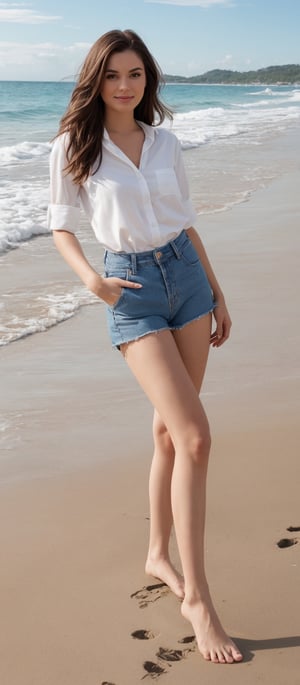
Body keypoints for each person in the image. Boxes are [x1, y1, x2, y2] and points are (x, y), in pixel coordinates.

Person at [48, 29, 243, 665]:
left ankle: (158, 553)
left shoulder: (163, 141)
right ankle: (200, 600)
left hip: (185, 279)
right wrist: (93, 283)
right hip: (129, 289)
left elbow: (185, 219)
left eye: (135, 74)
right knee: (194, 437)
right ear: (95, 80)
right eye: (113, 76)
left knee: (168, 434)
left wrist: (215, 290)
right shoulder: (76, 146)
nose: (125, 86)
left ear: (147, 79)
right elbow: (60, 224)